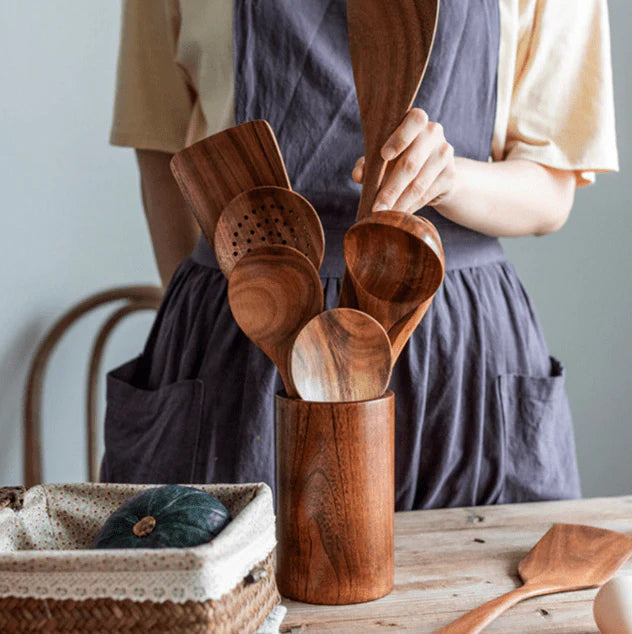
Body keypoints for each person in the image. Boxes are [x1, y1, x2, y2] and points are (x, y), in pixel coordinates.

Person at [101, 0, 618, 510]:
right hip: (247, 330)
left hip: (457, 353)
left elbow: (552, 189)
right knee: (216, 581)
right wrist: (226, 307)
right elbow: (162, 152)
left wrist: (450, 178)